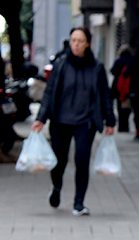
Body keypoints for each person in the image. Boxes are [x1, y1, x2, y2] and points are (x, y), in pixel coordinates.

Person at [32, 27, 116, 216]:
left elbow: (105, 96)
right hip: (61, 121)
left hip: (85, 123)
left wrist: (110, 121)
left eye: (80, 41)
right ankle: (56, 187)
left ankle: (79, 203)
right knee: (59, 161)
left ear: (87, 44)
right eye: (73, 40)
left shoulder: (96, 68)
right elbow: (49, 93)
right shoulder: (61, 65)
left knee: (82, 160)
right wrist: (40, 119)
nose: (76, 44)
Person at [110, 45, 134, 133]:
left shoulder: (118, 60)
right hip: (129, 87)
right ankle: (126, 125)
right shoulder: (131, 61)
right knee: (127, 107)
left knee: (119, 106)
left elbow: (112, 71)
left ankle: (121, 125)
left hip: (118, 86)